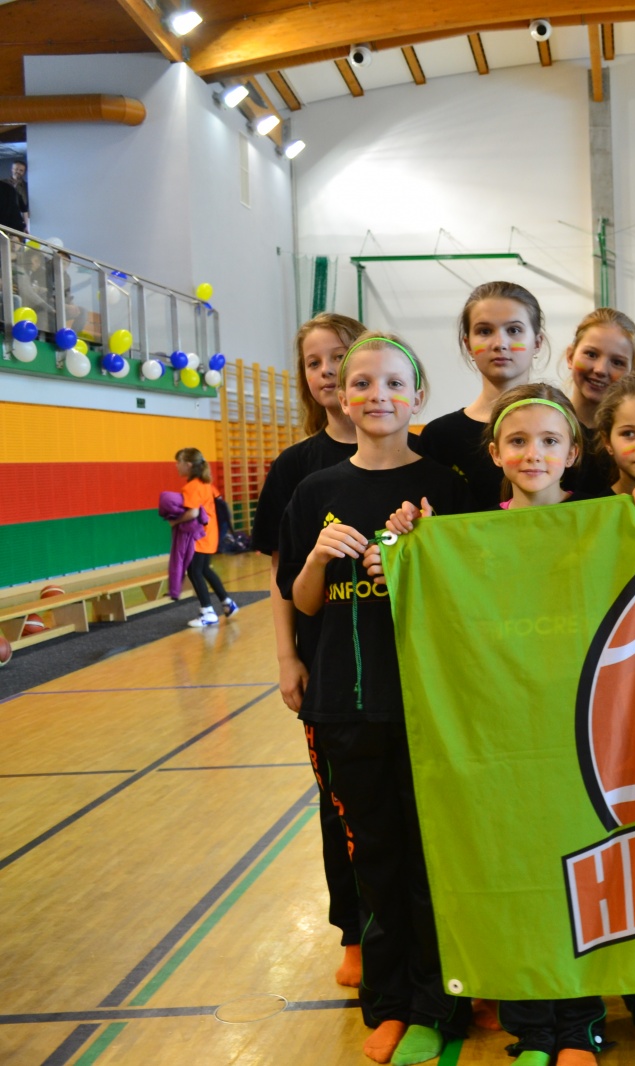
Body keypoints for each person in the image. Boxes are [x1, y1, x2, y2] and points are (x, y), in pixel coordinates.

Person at [390, 383, 614, 1064]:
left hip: (581, 728)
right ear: (494, 453)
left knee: (582, 875)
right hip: (505, 732)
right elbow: (405, 570)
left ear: (573, 453)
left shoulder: (607, 521)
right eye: (518, 441)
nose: (533, 453)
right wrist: (404, 538)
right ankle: (532, 1029)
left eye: (549, 441)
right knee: (517, 872)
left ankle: (581, 1024)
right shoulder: (468, 534)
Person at [278, 331, 474, 1066]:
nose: (377, 395)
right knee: (377, 864)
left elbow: (472, 597)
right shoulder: (315, 491)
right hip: (346, 705)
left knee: (432, 862)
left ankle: (441, 1003)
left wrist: (415, 568)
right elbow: (302, 601)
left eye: (394, 383)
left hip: (428, 706)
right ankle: (389, 1005)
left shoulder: (447, 487)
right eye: (361, 383)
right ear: (341, 394)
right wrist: (318, 560)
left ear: (418, 395)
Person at [252, 311, 373, 987]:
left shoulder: (413, 455)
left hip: (399, 664)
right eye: (314, 362)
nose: (327, 372)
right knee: (340, 806)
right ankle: (353, 933)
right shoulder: (297, 468)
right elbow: (280, 576)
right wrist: (286, 658)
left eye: (339, 357)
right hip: (329, 667)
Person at [417, 281, 547, 511]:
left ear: (537, 342)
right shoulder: (439, 438)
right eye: (485, 331)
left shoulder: (564, 430)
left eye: (514, 330)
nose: (499, 343)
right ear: (468, 344)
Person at [565, 308, 635, 495]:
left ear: (632, 372)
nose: (600, 370)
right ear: (570, 356)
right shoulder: (547, 428)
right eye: (591, 354)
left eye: (617, 362)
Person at [172, 447, 237, 628]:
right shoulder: (207, 484)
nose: (176, 466)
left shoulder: (191, 487)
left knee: (194, 572)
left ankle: (207, 612)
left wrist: (175, 520)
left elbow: (193, 513)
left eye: (178, 462)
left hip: (198, 537)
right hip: (210, 535)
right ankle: (227, 602)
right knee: (204, 569)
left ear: (188, 465)